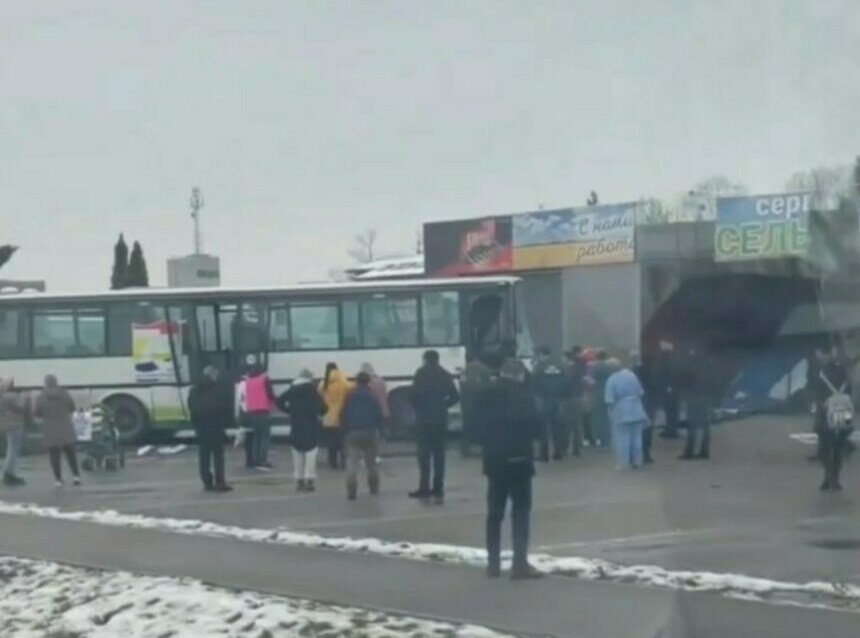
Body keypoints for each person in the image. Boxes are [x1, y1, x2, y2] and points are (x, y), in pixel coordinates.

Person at [480, 358, 544, 579]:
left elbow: (474, 427)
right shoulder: (525, 397)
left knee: (494, 513)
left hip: (495, 461)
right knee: (521, 511)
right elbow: (537, 428)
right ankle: (519, 564)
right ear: (519, 375)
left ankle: (493, 564)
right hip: (520, 461)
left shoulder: (486, 396)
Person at [409, 349, 460, 502]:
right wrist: (444, 405)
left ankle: (424, 488)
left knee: (424, 456)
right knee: (439, 455)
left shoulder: (421, 373)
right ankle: (438, 488)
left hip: (424, 420)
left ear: (425, 359)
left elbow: (413, 395)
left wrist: (419, 407)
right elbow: (455, 396)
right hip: (440, 419)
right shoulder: (445, 374)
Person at [277, 369, 327, 491]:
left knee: (297, 453)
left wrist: (289, 411)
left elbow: (279, 401)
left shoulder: (293, 389)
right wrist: (319, 413)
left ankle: (299, 480)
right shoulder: (312, 390)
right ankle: (309, 479)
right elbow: (324, 407)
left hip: (296, 425)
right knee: (311, 453)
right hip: (310, 425)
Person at [812, 345, 853, 491]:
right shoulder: (843, 370)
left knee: (824, 447)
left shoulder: (818, 372)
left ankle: (828, 476)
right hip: (844, 412)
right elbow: (850, 389)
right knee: (838, 447)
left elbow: (814, 391)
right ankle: (835, 478)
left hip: (825, 412)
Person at [188, 366, 233, 492]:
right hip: (216, 427)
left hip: (201, 428)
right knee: (218, 456)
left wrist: (195, 424)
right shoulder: (219, 389)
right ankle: (220, 482)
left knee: (204, 456)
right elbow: (225, 408)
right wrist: (226, 424)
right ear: (213, 375)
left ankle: (207, 482)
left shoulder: (194, 390)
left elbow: (191, 408)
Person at [340, 372, 384, 500]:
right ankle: (374, 487)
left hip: (352, 433)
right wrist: (381, 432)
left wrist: (344, 430)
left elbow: (342, 414)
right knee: (371, 463)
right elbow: (379, 415)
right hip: (370, 432)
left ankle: (352, 490)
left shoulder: (349, 396)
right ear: (368, 382)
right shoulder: (372, 397)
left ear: (356, 382)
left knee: (351, 462)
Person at [34, 374, 81, 487]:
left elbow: (37, 413)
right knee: (70, 453)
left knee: (54, 455)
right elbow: (72, 408)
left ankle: (58, 479)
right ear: (56, 382)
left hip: (50, 429)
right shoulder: (64, 394)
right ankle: (76, 476)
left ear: (45, 383)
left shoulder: (41, 396)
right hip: (65, 426)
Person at [604, 358, 649, 470]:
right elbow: (640, 392)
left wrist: (611, 413)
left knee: (623, 438)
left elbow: (610, 399)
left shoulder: (612, 379)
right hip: (636, 408)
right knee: (637, 437)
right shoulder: (631, 375)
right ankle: (637, 461)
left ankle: (624, 463)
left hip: (621, 410)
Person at [238, 357, 277, 470]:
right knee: (264, 437)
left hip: (252, 412)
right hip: (263, 410)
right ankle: (262, 460)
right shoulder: (264, 379)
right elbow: (270, 394)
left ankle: (255, 459)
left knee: (256, 437)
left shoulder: (248, 380)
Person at [531, 346, 569, 461]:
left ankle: (544, 454)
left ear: (541, 354)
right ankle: (558, 452)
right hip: (558, 400)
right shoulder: (559, 365)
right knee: (557, 427)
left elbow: (533, 383)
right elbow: (565, 382)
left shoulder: (539, 366)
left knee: (543, 427)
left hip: (543, 399)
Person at [679, 346, 715, 461]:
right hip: (706, 398)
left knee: (692, 425)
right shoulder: (709, 366)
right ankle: (704, 451)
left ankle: (689, 451)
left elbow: (685, 381)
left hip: (693, 397)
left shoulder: (691, 366)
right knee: (705, 425)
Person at [459, 355, 493, 458]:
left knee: (467, 426)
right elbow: (488, 386)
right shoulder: (485, 369)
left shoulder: (465, 370)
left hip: (467, 403)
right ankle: (482, 449)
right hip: (480, 403)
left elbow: (462, 385)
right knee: (482, 426)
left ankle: (465, 450)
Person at [319, 363, 351, 469]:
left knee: (331, 441)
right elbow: (349, 394)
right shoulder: (344, 382)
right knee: (342, 440)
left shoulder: (324, 383)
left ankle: (332, 462)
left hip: (328, 415)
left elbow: (320, 396)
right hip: (342, 415)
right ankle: (343, 461)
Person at [1, 378, 30, 486]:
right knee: (13, 450)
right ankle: (9, 473)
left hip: (8, 425)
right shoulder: (10, 397)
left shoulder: (3, 396)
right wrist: (27, 398)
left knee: (11, 449)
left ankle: (8, 472)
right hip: (15, 424)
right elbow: (20, 408)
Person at [653, 339, 681, 439]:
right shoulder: (672, 357)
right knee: (671, 410)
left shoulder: (668, 358)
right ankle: (671, 428)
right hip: (672, 388)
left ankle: (671, 430)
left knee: (671, 410)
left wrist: (669, 386)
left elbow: (668, 373)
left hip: (670, 388)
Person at [630, 351, 654, 464]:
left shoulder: (632, 371)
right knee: (646, 429)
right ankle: (645, 454)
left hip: (638, 402)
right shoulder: (647, 369)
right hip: (647, 401)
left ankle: (636, 455)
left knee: (637, 429)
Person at [562, 347, 586, 457]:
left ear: (567, 358)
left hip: (569, 398)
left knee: (568, 424)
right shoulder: (578, 367)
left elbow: (566, 383)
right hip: (577, 397)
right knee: (576, 424)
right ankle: (576, 448)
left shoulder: (570, 369)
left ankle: (567, 447)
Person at [588, 350, 613, 449]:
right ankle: (607, 440)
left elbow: (591, 380)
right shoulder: (609, 367)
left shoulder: (594, 367)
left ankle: (601, 440)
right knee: (606, 418)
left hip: (597, 394)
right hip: (607, 393)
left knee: (598, 418)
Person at [360, 362, 390, 432]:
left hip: (374, 412)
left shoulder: (369, 383)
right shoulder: (380, 380)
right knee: (382, 431)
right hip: (383, 410)